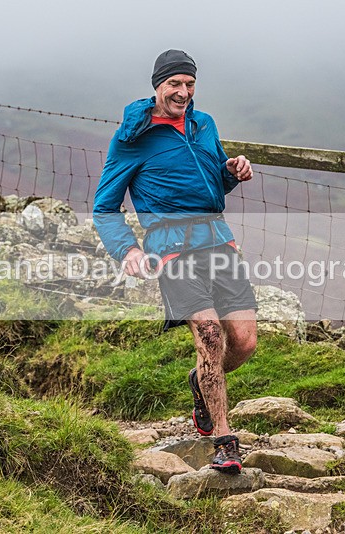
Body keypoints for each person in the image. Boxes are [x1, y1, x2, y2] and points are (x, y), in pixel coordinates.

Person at [93, 49, 258, 474]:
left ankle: (200, 382)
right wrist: (127, 249)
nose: (183, 93)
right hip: (172, 249)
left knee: (243, 342)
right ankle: (224, 440)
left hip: (219, 242)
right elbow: (104, 207)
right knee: (209, 336)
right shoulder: (132, 138)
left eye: (190, 85)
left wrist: (232, 171)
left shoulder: (204, 125)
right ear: (157, 87)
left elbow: (212, 182)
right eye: (174, 85)